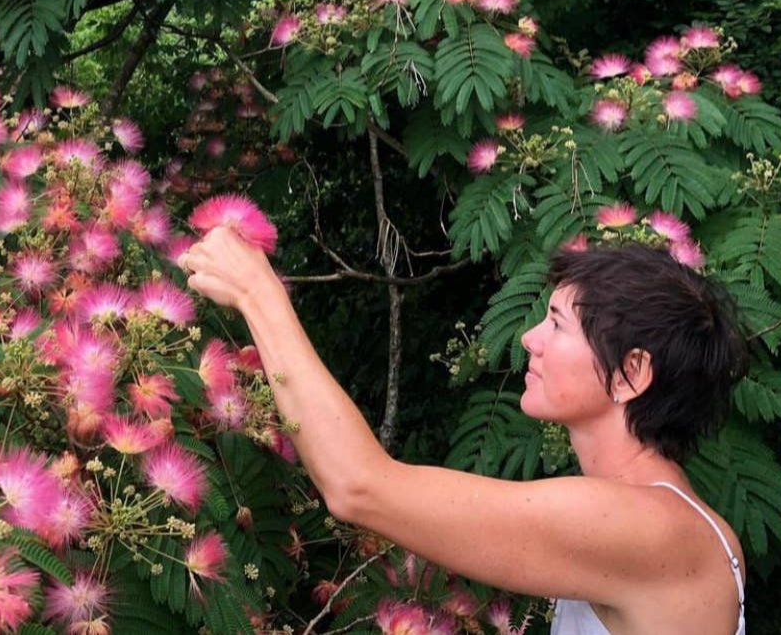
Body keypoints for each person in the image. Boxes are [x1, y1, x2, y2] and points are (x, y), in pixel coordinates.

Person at [180, 233, 748, 635]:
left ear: (630, 373)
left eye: (557, 324)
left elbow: (359, 486)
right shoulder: (682, 525)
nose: (529, 339)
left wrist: (258, 294)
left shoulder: (644, 527)